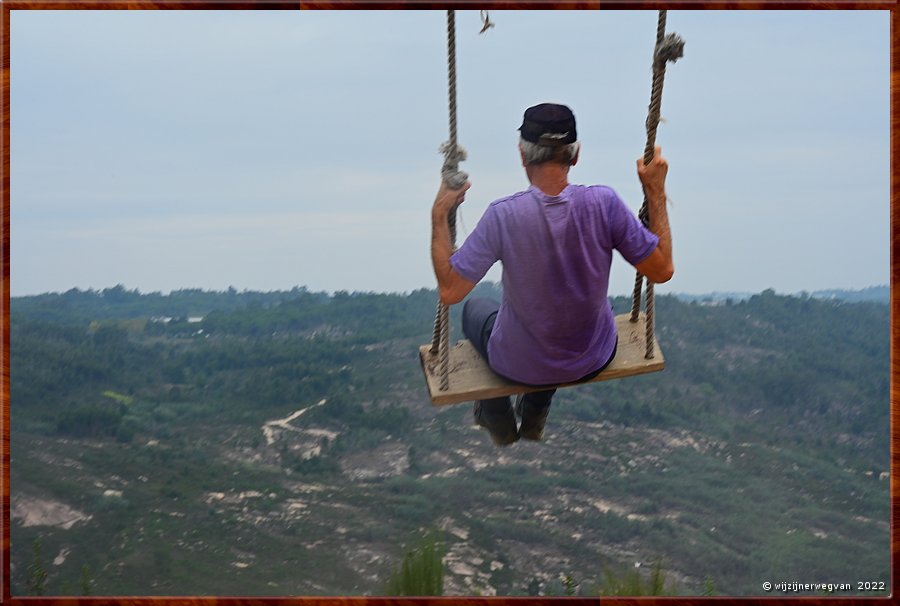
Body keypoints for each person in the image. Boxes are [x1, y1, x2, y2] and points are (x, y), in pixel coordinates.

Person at [430, 103, 673, 446]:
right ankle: (535, 410)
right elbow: (662, 270)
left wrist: (440, 215)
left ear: (522, 155)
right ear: (575, 155)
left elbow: (450, 292)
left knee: (476, 309)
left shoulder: (504, 215)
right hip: (593, 357)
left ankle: (495, 413)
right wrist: (656, 191)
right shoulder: (604, 204)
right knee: (562, 310)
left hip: (518, 363)